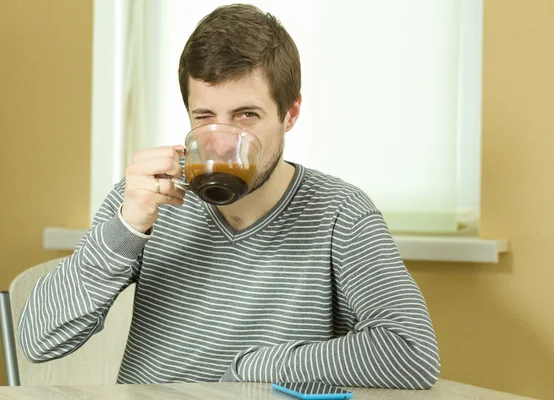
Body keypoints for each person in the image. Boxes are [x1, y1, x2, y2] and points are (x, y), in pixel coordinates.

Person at [18, 4, 440, 389]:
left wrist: (250, 369)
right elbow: (38, 340)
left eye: (246, 115)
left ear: (290, 114)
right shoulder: (146, 198)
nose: (222, 144)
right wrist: (126, 229)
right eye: (205, 117)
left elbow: (411, 353)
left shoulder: (340, 213)